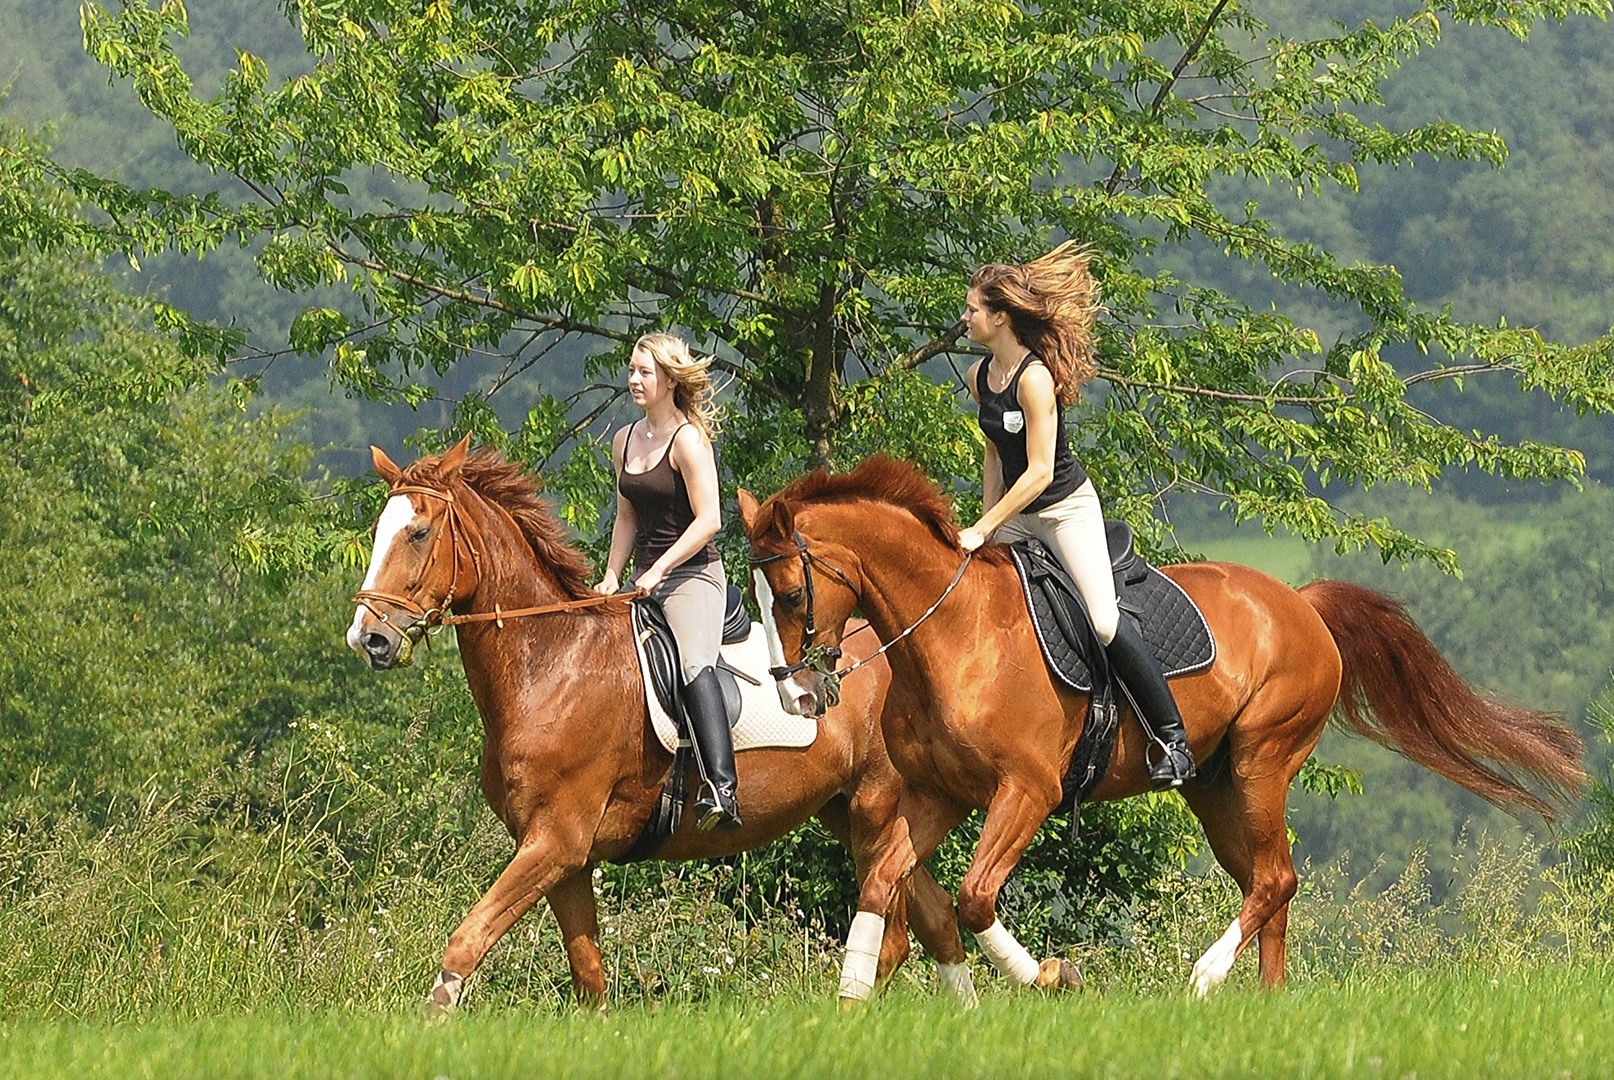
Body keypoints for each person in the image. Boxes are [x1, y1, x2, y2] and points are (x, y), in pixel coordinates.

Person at [957, 242, 1196, 789]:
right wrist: (985, 522)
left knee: (1104, 620)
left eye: (972, 310)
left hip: (1064, 510)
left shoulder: (1034, 379)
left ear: (999, 318)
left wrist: (987, 527)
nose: (964, 318)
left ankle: (1171, 739)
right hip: (1014, 515)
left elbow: (1040, 471)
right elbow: (994, 454)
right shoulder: (978, 377)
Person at [595, 333, 741, 830]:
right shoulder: (624, 440)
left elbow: (709, 520)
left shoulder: (689, 440)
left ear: (670, 380)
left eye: (644, 373)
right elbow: (625, 519)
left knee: (694, 662)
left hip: (693, 576)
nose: (634, 380)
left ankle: (723, 788)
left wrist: (660, 569)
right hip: (641, 579)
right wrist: (612, 575)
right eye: (631, 370)